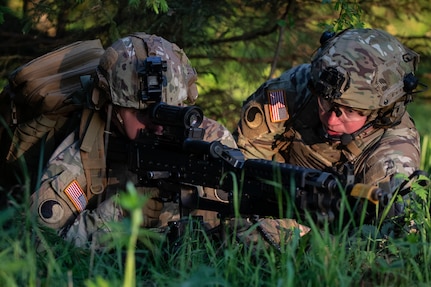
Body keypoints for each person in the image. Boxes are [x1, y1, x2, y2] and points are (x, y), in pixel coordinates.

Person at [29, 32, 237, 249]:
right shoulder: (86, 151)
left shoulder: (211, 139)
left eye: (171, 110)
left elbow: (246, 231)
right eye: (144, 113)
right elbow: (42, 241)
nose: (159, 125)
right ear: (111, 107)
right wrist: (121, 214)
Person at [234, 28, 424, 225]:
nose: (332, 120)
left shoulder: (393, 152)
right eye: (325, 103)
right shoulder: (295, 89)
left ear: (381, 111)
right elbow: (247, 159)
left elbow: (383, 240)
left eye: (350, 111)